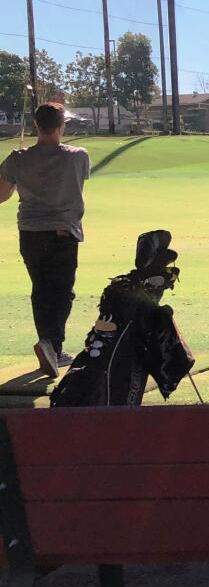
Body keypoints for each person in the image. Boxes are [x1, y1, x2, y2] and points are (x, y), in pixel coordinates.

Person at [0, 102, 91, 379]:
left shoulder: (17, 157)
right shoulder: (78, 156)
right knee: (62, 292)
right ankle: (54, 347)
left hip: (30, 233)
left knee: (41, 289)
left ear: (37, 125)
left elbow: (2, 195)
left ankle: (47, 343)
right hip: (62, 232)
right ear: (61, 126)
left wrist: (18, 171)